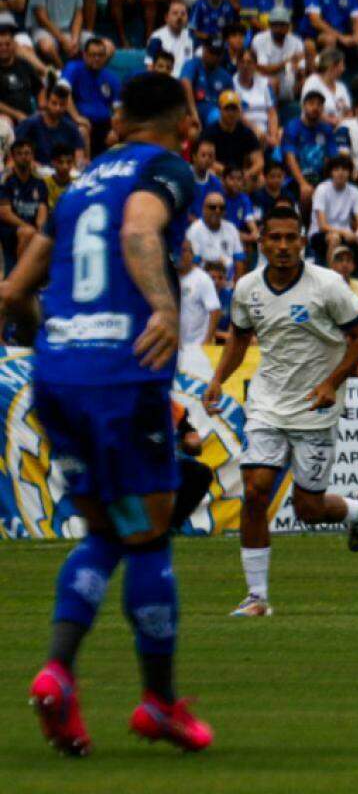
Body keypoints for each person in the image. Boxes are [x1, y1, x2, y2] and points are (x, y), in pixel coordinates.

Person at [3, 71, 212, 755]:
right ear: (180, 121)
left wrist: (37, 325)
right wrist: (162, 304)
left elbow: (24, 276)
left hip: (59, 374)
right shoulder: (166, 168)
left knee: (106, 529)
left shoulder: (83, 180)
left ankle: (58, 673)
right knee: (149, 535)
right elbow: (141, 229)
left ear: (118, 121)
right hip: (122, 375)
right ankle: (158, 702)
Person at [204, 205, 358, 617]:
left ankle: (356, 511)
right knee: (256, 490)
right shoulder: (246, 288)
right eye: (274, 238)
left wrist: (332, 383)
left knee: (308, 510)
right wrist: (218, 379)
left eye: (290, 238)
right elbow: (240, 338)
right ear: (261, 243)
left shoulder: (328, 285)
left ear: (302, 241)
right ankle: (257, 597)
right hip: (267, 403)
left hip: (316, 406)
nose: (282, 246)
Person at [61, 37, 118, 159]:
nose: (97, 59)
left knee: (119, 136)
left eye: (100, 55)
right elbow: (64, 92)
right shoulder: (73, 68)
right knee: (82, 131)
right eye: (93, 55)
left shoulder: (111, 78)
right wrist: (76, 117)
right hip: (79, 122)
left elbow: (118, 109)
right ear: (85, 55)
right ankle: (85, 171)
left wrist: (115, 129)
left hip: (103, 125)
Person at [283, 89, 337, 210]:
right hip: (295, 180)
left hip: (320, 179)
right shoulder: (293, 127)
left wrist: (325, 184)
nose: (315, 107)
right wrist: (303, 184)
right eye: (311, 103)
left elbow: (331, 158)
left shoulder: (326, 130)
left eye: (319, 104)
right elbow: (290, 158)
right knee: (305, 193)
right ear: (303, 106)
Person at [0, 139, 47, 271]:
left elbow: (42, 209)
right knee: (27, 233)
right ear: (13, 157)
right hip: (10, 228)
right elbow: (5, 213)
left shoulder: (39, 181)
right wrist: (27, 226)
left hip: (31, 226)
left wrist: (40, 228)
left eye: (27, 153)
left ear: (32, 156)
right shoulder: (5, 180)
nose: (24, 157)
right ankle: (21, 276)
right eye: (19, 154)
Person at [177, 240, 222, 378]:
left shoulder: (202, 279)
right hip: (176, 348)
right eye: (178, 251)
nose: (181, 255)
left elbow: (215, 310)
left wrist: (207, 341)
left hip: (197, 347)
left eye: (185, 251)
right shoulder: (169, 277)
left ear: (192, 254)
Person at [184, 191, 245, 280]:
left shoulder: (231, 228)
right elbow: (194, 265)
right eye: (212, 207)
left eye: (221, 208)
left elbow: (239, 261)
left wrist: (237, 286)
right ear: (204, 209)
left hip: (228, 283)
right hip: (205, 282)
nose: (217, 210)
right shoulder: (194, 230)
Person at [145, 0, 196, 77]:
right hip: (166, 82)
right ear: (166, 18)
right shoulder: (157, 38)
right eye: (175, 13)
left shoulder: (192, 36)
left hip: (186, 81)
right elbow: (150, 67)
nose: (179, 17)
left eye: (183, 14)